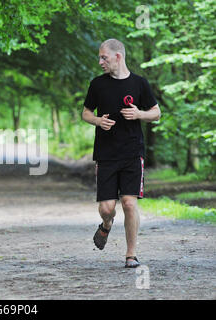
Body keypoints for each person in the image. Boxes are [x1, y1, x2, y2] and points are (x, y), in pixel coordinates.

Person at [81, 39, 161, 268]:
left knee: (128, 203)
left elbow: (156, 113)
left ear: (118, 56)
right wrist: (97, 120)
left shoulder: (139, 84)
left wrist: (139, 114)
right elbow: (85, 113)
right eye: (99, 57)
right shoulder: (97, 85)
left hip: (133, 153)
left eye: (104, 57)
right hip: (106, 154)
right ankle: (106, 225)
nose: (100, 62)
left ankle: (131, 254)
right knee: (107, 208)